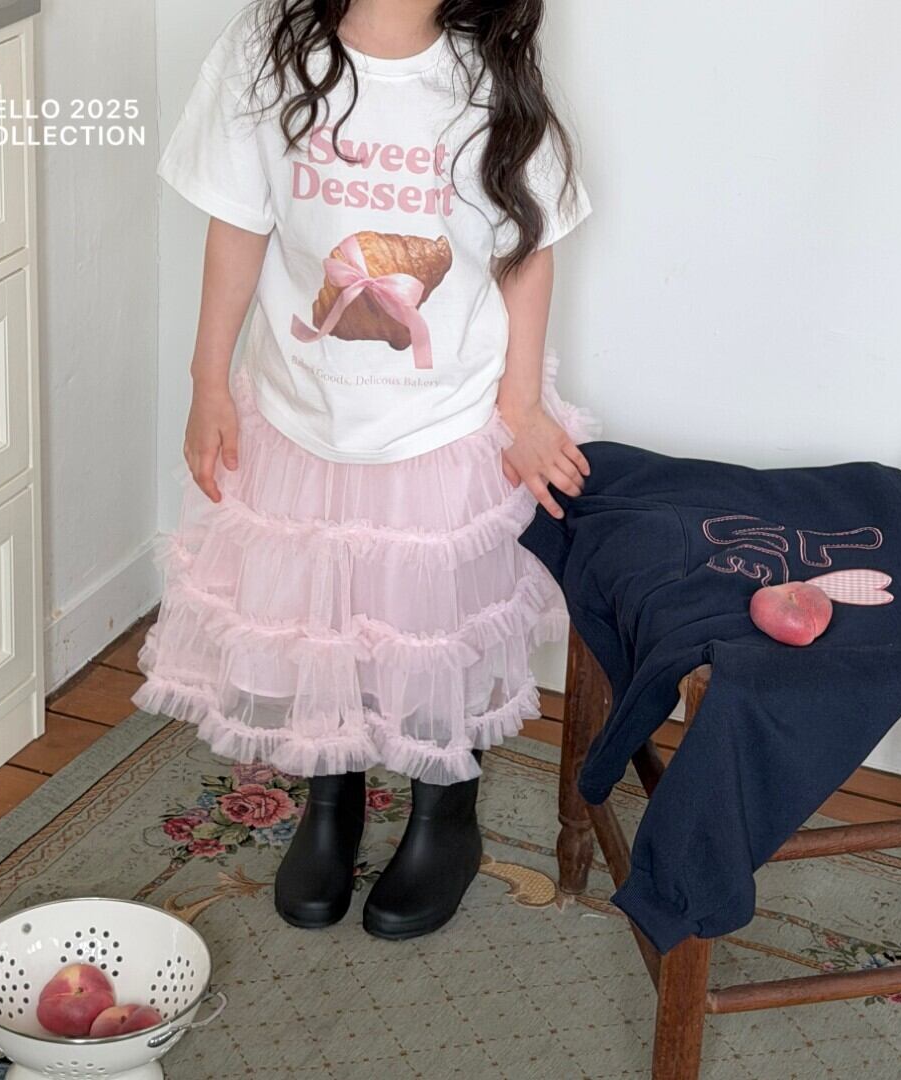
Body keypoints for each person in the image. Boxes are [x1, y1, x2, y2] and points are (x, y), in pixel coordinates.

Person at [133, 0, 596, 940]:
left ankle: (443, 813)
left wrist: (520, 408)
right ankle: (330, 799)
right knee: (325, 616)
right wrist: (207, 384)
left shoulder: (485, 73)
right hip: (303, 413)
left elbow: (529, 247)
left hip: (444, 419)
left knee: (433, 623)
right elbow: (238, 223)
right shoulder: (270, 48)